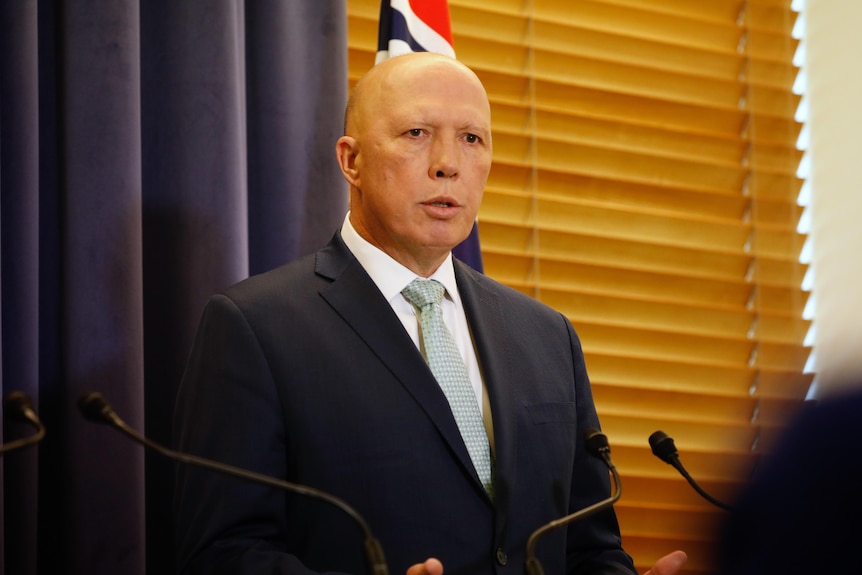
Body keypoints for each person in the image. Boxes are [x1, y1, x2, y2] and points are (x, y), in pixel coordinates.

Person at [172, 51, 687, 575]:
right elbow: (222, 553)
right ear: (351, 161)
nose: (448, 163)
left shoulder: (546, 334)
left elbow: (587, 546)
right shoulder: (256, 326)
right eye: (416, 133)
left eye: (472, 138)